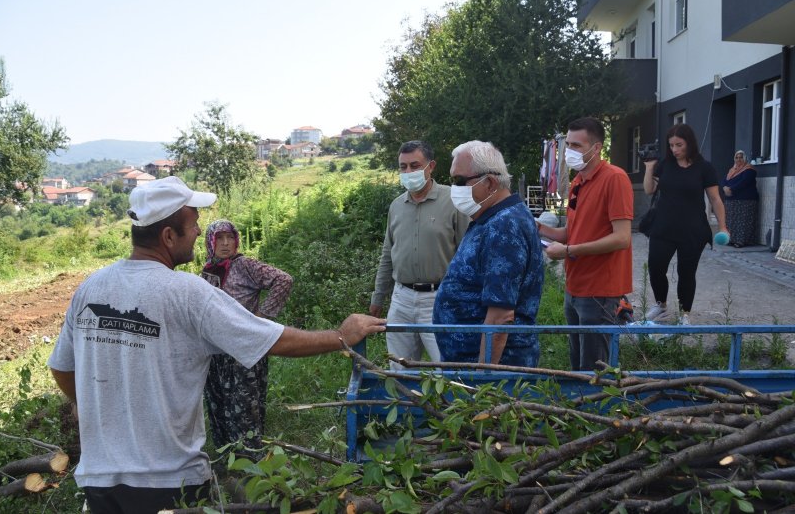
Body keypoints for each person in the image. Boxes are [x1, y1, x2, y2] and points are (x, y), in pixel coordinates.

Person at [47, 176, 385, 514]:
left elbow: (61, 367)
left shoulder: (91, 287)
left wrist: (86, 403)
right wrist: (340, 336)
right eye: (193, 224)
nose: (198, 232)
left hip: (99, 480)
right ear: (168, 236)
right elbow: (273, 340)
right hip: (169, 482)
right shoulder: (187, 291)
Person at [432, 140, 544, 366]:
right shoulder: (492, 218)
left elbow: (501, 316)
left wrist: (484, 376)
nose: (454, 188)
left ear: (490, 182)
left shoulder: (504, 226)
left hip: (494, 371)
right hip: (468, 362)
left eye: (459, 180)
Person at [541, 117, 634, 371]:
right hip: (575, 286)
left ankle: (598, 409)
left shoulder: (615, 178)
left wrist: (569, 251)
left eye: (576, 146)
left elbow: (622, 237)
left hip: (600, 289)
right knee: (578, 362)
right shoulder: (578, 181)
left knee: (595, 368)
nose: (569, 152)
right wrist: (540, 228)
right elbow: (574, 231)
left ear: (596, 149)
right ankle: (579, 407)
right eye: (567, 145)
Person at [370, 140, 469, 369]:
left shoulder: (453, 201)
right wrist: (378, 296)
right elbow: (388, 254)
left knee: (445, 367)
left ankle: (443, 405)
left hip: (439, 298)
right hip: (401, 298)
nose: (408, 172)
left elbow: (467, 255)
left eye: (415, 165)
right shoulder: (396, 206)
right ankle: (407, 404)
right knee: (399, 366)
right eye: (403, 167)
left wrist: (465, 299)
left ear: (431, 166)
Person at [201, 219, 293, 453]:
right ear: (210, 242)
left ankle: (249, 461)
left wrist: (261, 319)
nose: (224, 243)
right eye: (219, 238)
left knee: (244, 407)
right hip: (216, 352)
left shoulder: (244, 266)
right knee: (219, 403)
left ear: (236, 241)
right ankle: (226, 457)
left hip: (243, 350)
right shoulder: (209, 271)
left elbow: (283, 280)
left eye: (229, 238)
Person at [642, 123, 728, 325]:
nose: (674, 150)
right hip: (662, 227)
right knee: (655, 267)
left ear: (689, 143)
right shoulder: (665, 164)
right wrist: (648, 168)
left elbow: (715, 199)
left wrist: (723, 226)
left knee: (686, 272)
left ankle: (685, 314)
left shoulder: (704, 168)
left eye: (679, 145)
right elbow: (648, 190)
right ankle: (660, 304)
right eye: (671, 145)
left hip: (692, 229)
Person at [721, 150, 758, 248]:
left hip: (745, 200)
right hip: (731, 200)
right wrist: (724, 187)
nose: (738, 159)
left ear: (745, 158)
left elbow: (744, 182)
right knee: (731, 221)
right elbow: (724, 180)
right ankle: (731, 239)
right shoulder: (732, 170)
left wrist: (730, 189)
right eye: (736, 157)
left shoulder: (749, 170)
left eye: (741, 157)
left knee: (743, 221)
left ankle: (742, 241)